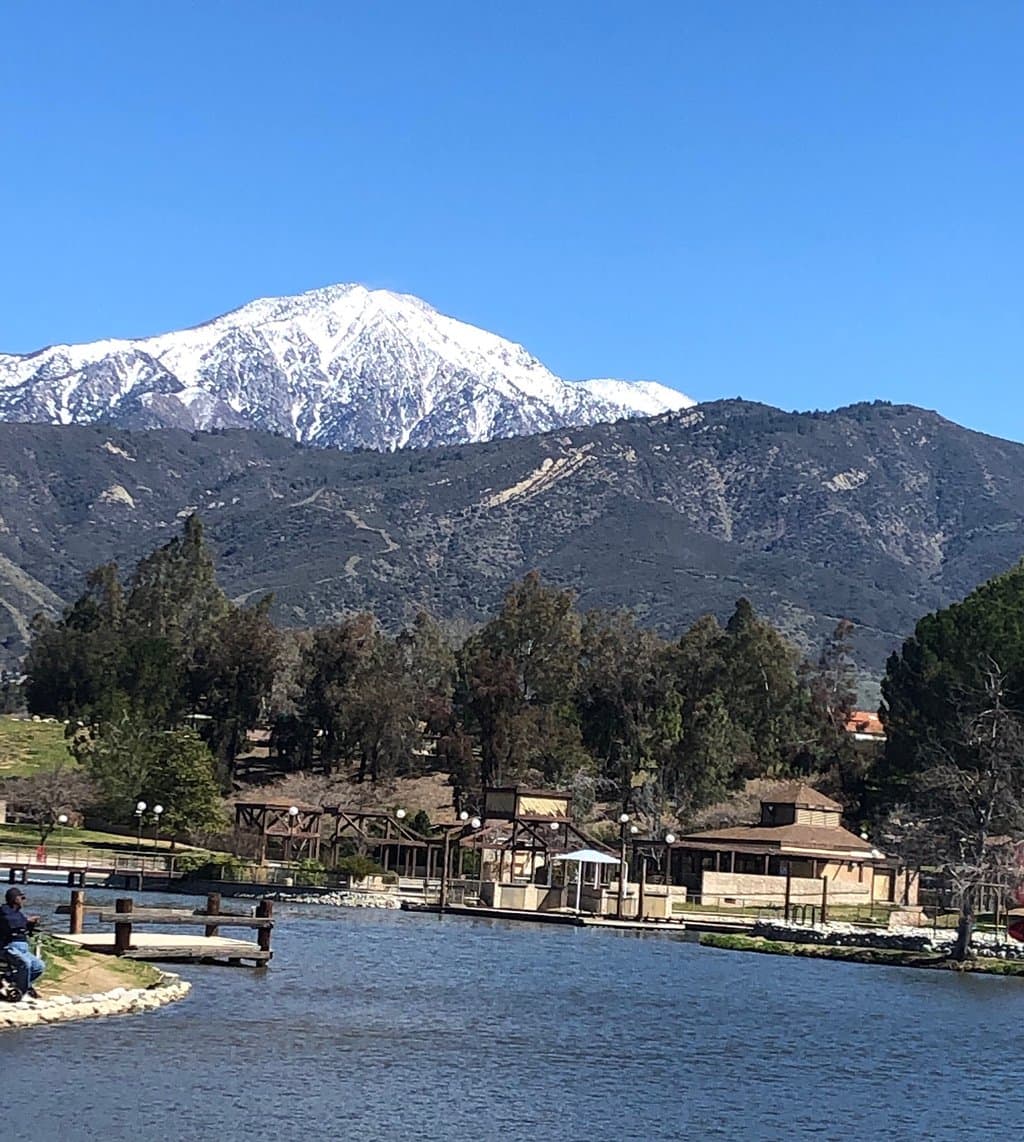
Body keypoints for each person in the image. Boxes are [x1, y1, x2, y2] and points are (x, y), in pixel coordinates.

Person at [0, 888, 44, 999]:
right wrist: (27, 921)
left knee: (39, 966)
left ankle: (11, 981)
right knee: (25, 964)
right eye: (21, 897)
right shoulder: (4, 910)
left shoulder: (19, 914)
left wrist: (31, 924)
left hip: (23, 948)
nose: (23, 900)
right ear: (14, 898)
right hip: (8, 947)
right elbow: (10, 923)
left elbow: (23, 926)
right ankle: (21, 992)